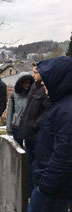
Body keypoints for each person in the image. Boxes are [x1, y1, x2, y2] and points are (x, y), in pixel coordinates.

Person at [27, 56, 72, 212]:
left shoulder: (67, 110)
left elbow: (65, 155)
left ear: (59, 79)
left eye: (47, 78)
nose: (42, 82)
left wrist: (45, 186)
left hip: (52, 192)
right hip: (53, 188)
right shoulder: (61, 104)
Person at [18, 62, 50, 192]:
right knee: (30, 162)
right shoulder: (34, 87)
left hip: (37, 134)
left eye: (36, 72)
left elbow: (47, 112)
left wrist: (34, 124)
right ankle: (29, 188)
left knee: (37, 164)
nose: (33, 75)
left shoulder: (46, 89)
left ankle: (35, 189)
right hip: (28, 133)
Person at [6, 72, 34, 147]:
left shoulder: (33, 94)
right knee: (18, 148)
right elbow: (10, 112)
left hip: (29, 126)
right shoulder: (14, 95)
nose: (27, 85)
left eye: (28, 83)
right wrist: (9, 128)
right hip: (17, 126)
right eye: (24, 83)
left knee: (29, 149)